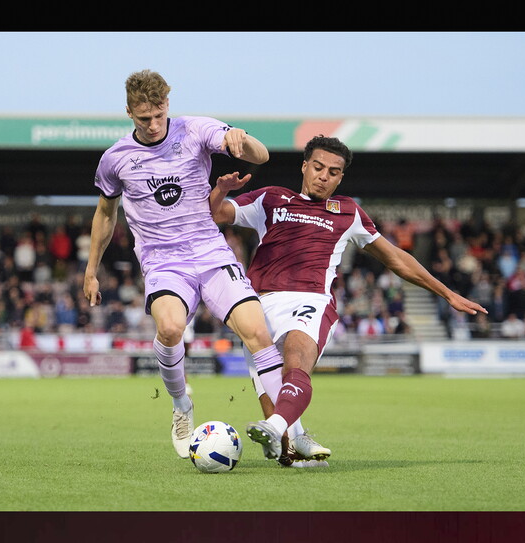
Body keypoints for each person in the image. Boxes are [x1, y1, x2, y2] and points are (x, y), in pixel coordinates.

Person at [209, 135, 488, 465]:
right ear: (304, 166)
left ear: (341, 177)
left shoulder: (347, 211)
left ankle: (276, 427)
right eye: (318, 167)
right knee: (285, 451)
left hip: (310, 301)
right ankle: (294, 437)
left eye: (333, 172)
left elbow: (396, 259)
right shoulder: (271, 199)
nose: (323, 176)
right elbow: (215, 214)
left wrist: (448, 293)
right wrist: (220, 190)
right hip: (258, 308)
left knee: (296, 358)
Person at [82, 69, 284, 460]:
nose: (153, 124)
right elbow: (105, 214)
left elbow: (261, 156)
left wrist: (240, 138)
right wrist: (91, 270)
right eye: (144, 118)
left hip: (210, 251)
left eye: (159, 115)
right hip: (163, 260)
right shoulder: (115, 159)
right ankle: (180, 404)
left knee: (259, 333)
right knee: (171, 328)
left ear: (167, 105)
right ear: (129, 112)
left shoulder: (195, 129)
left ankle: (284, 428)